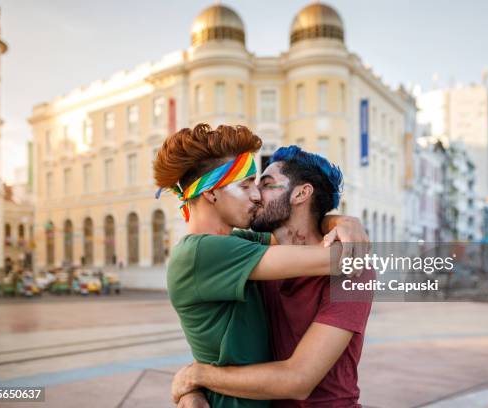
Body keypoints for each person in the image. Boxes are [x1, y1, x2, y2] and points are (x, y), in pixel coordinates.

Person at [153, 124, 368, 408]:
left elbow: (297, 379)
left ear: (302, 194)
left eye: (264, 185)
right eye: (247, 185)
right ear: (211, 193)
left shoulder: (246, 245)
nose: (256, 196)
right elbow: (344, 257)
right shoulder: (210, 251)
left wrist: (341, 221)